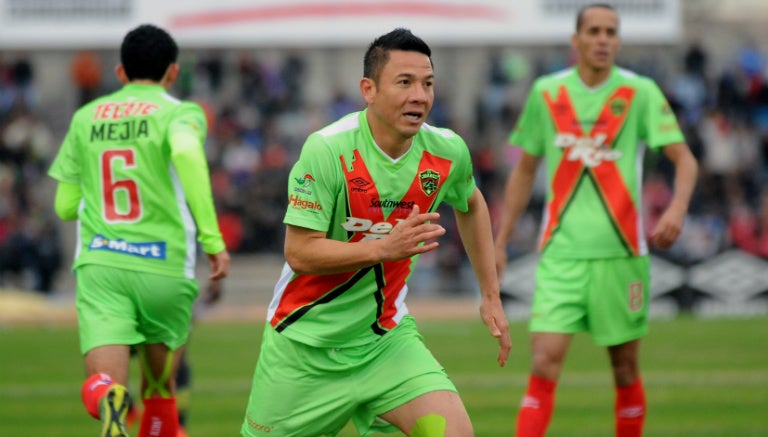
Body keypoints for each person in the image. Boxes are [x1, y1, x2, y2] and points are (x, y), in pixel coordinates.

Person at [241, 28, 511, 437]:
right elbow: (300, 252)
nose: (419, 95)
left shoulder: (447, 151)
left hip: (385, 341)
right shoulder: (327, 149)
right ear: (368, 89)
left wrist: (490, 294)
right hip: (305, 346)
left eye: (428, 83)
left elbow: (471, 204)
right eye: (405, 82)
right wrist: (382, 248)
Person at [493, 4, 698, 437]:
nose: (604, 39)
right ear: (577, 40)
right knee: (544, 362)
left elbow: (685, 161)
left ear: (618, 40)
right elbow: (525, 170)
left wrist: (677, 208)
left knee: (625, 369)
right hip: (561, 253)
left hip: (621, 255)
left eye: (611, 31)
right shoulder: (547, 93)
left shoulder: (640, 92)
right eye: (595, 31)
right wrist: (500, 240)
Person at [48, 24, 230, 437]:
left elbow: (62, 207)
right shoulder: (182, 113)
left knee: (104, 382)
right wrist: (213, 242)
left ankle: (110, 400)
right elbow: (185, 153)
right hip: (163, 267)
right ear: (172, 72)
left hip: (103, 265)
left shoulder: (84, 118)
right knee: (161, 392)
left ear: (119, 73)